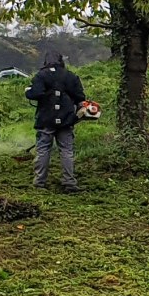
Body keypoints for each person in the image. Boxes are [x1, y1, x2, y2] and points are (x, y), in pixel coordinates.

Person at [25, 49, 85, 193]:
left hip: (46, 118)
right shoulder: (70, 76)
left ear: (46, 61)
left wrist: (28, 91)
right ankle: (69, 183)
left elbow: (36, 93)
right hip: (66, 119)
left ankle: (40, 182)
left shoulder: (41, 75)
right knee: (66, 150)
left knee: (43, 150)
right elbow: (80, 96)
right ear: (61, 60)